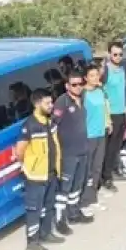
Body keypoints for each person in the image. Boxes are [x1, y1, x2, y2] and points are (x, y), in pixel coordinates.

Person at [17, 88, 65, 250]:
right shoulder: (29, 125)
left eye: (51, 102)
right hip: (36, 176)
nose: (51, 105)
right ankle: (32, 241)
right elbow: (20, 150)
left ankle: (46, 233)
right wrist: (29, 166)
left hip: (51, 172)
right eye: (47, 103)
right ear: (37, 104)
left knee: (48, 206)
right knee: (34, 209)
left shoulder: (50, 121)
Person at [52, 70, 93, 236]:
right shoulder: (62, 102)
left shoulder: (82, 99)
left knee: (77, 185)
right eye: (74, 84)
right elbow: (53, 126)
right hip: (68, 153)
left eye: (80, 84)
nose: (78, 87)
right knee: (65, 188)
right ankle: (60, 220)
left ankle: (74, 213)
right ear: (67, 86)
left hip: (82, 149)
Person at [79, 65, 111, 211]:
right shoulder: (83, 94)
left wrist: (108, 122)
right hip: (88, 135)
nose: (95, 78)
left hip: (100, 133)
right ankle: (83, 200)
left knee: (97, 167)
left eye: (96, 75)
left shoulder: (100, 91)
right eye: (91, 75)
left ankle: (93, 197)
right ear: (85, 78)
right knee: (87, 169)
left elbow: (105, 108)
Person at [100, 41, 126, 189]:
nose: (117, 57)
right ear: (109, 54)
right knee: (109, 148)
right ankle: (106, 177)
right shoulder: (106, 71)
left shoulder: (122, 70)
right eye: (115, 54)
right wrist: (107, 118)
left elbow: (122, 93)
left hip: (121, 112)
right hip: (110, 115)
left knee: (117, 146)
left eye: (120, 54)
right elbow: (101, 94)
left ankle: (114, 170)